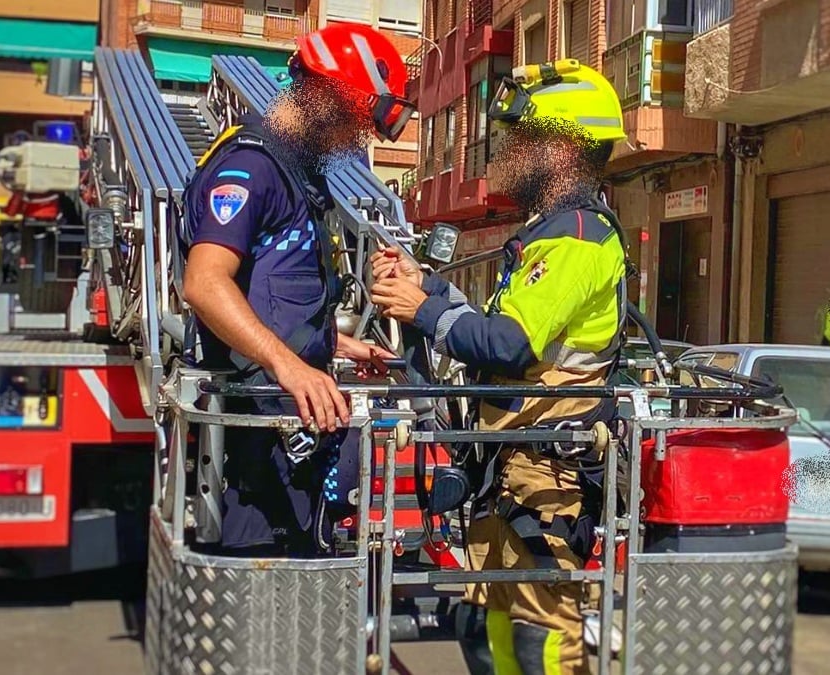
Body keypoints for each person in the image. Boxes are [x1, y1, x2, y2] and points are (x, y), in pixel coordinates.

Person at [370, 59, 630, 674]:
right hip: (511, 472)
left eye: (523, 138)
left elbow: (509, 344)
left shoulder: (576, 238)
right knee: (491, 634)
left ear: (562, 148)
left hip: (547, 480)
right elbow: (499, 329)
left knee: (546, 641)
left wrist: (420, 311)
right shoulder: (547, 234)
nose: (508, 150)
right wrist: (426, 288)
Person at [179, 21, 415, 557]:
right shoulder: (250, 168)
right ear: (328, 97)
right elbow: (205, 283)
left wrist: (334, 345)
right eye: (357, 121)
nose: (359, 138)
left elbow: (273, 295)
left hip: (291, 427)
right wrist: (291, 366)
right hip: (255, 435)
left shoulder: (298, 173)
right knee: (260, 596)